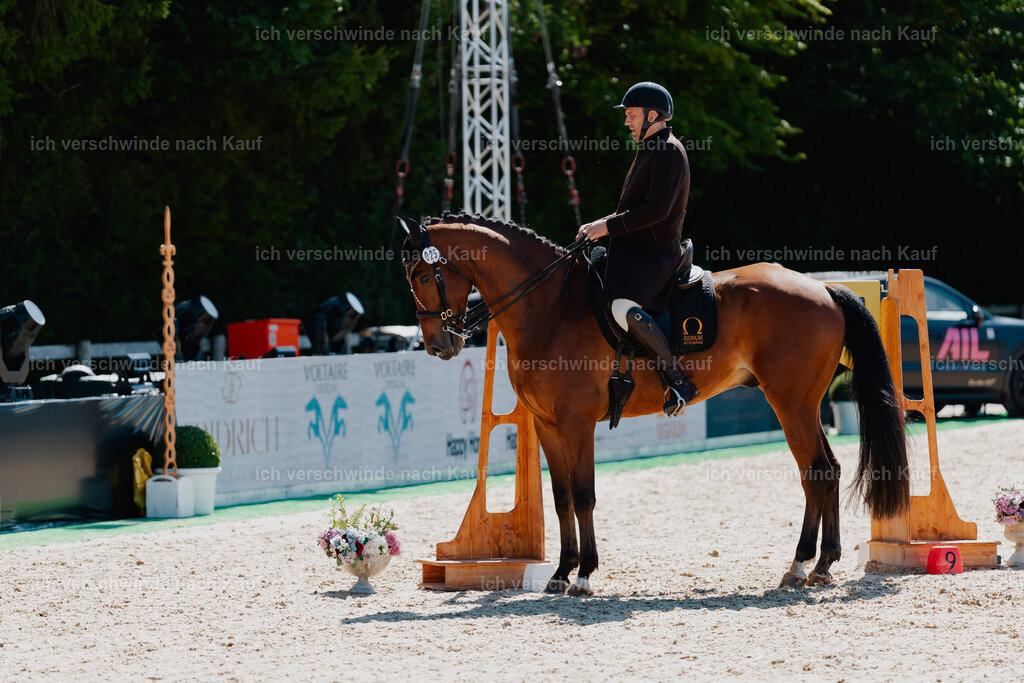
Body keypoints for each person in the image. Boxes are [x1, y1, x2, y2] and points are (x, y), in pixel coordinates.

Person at [577, 81, 699, 416]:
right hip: (635, 251)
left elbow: (656, 210)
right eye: (628, 115)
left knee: (619, 305)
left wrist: (606, 226)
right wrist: (600, 225)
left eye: (631, 115)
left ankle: (677, 379)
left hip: (654, 256)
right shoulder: (650, 149)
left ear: (653, 115)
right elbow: (633, 209)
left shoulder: (669, 151)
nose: (627, 121)